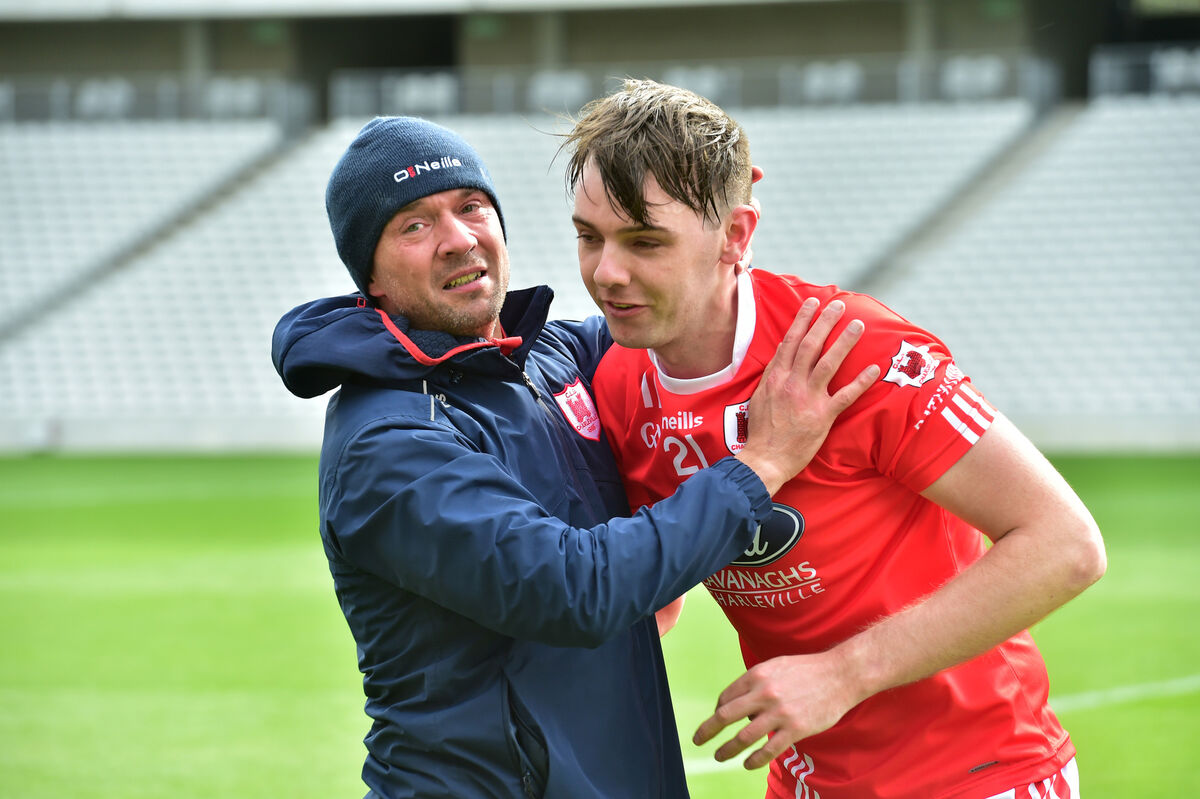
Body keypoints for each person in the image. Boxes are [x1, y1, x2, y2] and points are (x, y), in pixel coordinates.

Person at [270, 116, 877, 798]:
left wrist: (712, 216)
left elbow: (682, 320)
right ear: (370, 277)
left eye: (471, 207)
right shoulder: (388, 442)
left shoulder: (552, 356)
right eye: (414, 225)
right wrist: (758, 467)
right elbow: (572, 589)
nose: (459, 238)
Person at [565, 79, 1107, 799]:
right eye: (588, 236)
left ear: (735, 236)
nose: (607, 273)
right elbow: (655, 579)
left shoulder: (849, 350)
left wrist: (843, 672)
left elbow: (1067, 544)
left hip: (976, 776)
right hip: (807, 780)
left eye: (645, 241)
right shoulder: (619, 384)